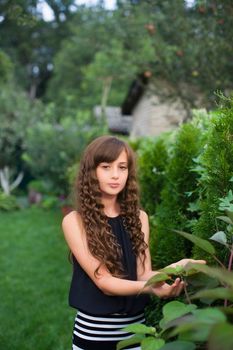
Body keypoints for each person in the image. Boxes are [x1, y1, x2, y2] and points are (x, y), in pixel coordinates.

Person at [62, 135, 205, 350]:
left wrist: (177, 267)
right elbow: (106, 283)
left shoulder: (139, 218)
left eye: (122, 167)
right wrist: (153, 289)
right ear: (91, 172)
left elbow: (142, 274)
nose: (115, 175)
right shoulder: (75, 221)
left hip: (137, 332)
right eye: (106, 167)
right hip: (95, 334)